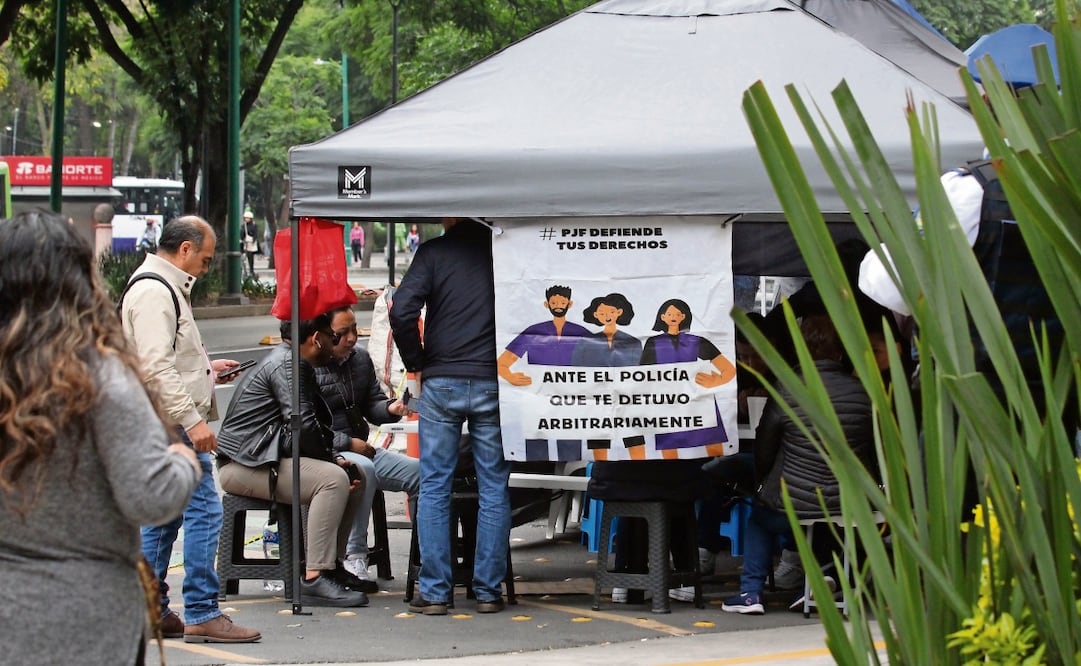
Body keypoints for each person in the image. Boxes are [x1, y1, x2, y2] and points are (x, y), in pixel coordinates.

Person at [0, 209, 202, 664]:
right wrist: (182, 461)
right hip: (87, 613)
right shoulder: (100, 377)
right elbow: (150, 496)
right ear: (79, 284)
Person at [119, 214, 261, 643]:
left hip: (160, 419)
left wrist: (206, 369)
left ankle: (149, 608)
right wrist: (193, 420)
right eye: (206, 258)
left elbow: (167, 358)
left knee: (164, 517)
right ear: (184, 249)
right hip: (170, 422)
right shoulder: (155, 291)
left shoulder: (162, 287)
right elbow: (156, 367)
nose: (206, 266)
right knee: (205, 510)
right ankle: (201, 610)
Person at [389, 216, 510, 616]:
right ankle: (488, 591)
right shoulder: (504, 252)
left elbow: (402, 310)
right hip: (494, 379)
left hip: (441, 381)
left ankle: (436, 592)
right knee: (493, 485)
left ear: (451, 215)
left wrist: (416, 361)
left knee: (435, 485)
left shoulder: (434, 253)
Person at [721, 315, 875, 615]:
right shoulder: (861, 392)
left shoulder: (786, 389)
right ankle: (827, 578)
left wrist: (763, 485)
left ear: (798, 349)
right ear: (841, 351)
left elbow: (764, 447)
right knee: (828, 523)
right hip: (848, 503)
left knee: (760, 519)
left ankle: (751, 593)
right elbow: (871, 447)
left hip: (794, 503)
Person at [216, 315, 371, 607]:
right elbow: (304, 427)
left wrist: (335, 457)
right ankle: (314, 576)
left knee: (355, 475)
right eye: (332, 337)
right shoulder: (289, 364)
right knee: (332, 479)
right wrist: (332, 461)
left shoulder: (295, 361)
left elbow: (306, 428)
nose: (335, 344)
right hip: (243, 465)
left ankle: (331, 566)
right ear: (316, 339)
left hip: (267, 458)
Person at [316, 305, 418, 590]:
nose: (351, 338)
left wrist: (391, 408)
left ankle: (425, 556)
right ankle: (354, 555)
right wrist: (347, 444)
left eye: (354, 330)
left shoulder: (359, 358)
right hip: (328, 453)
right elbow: (307, 427)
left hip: (362, 447)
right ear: (322, 335)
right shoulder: (308, 364)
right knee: (363, 469)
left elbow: (372, 403)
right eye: (342, 332)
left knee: (422, 474)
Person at [497, 284, 590, 385]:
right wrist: (510, 377)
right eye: (553, 303)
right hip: (540, 389)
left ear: (570, 304)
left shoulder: (581, 332)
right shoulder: (533, 331)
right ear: (547, 304)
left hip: (574, 388)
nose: (558, 306)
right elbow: (501, 364)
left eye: (563, 303)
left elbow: (600, 360)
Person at [570, 292, 642, 367]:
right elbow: (576, 365)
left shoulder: (634, 342)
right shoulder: (585, 342)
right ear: (596, 315)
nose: (607, 316)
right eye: (602, 313)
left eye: (612, 312)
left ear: (619, 312)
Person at [242, 210, 259, 277]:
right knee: (244, 257)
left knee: (251, 257)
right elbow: (242, 234)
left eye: (248, 218)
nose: (246, 219)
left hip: (251, 243)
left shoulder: (254, 225)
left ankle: (251, 270)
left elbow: (255, 234)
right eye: (245, 218)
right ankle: (245, 270)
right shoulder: (243, 226)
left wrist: (254, 241)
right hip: (246, 242)